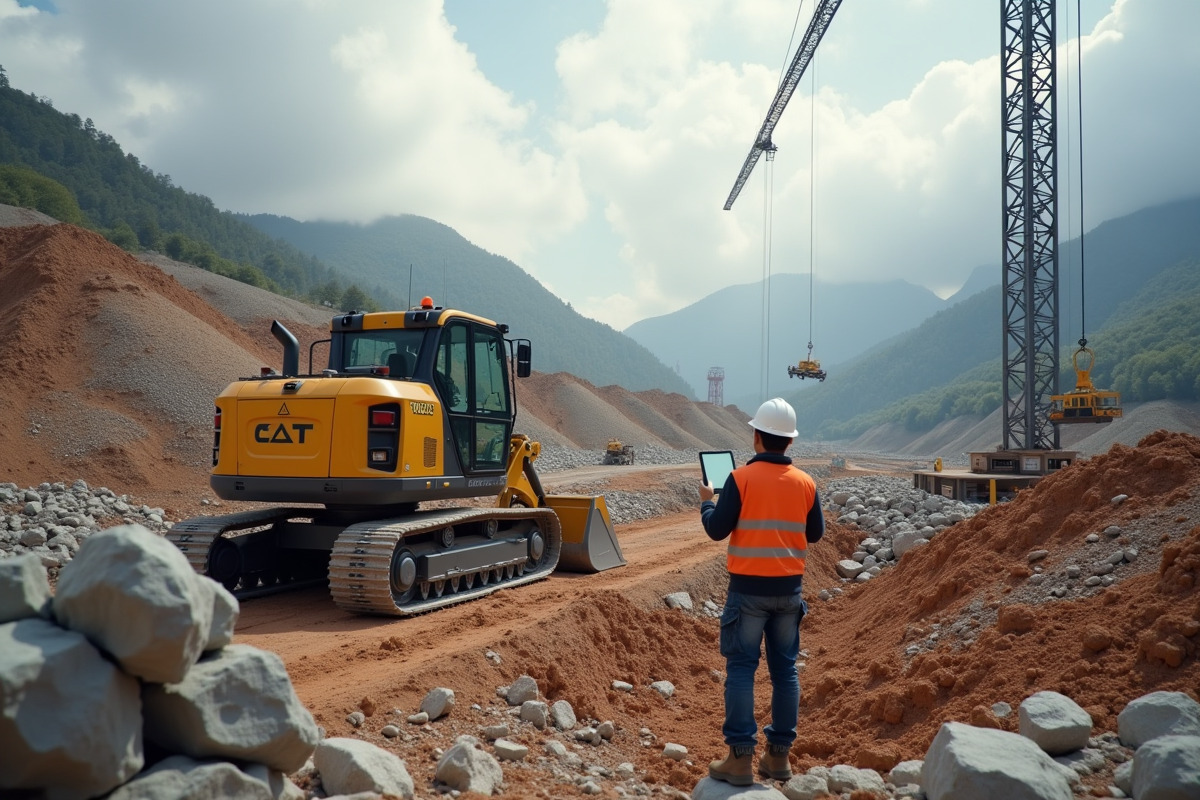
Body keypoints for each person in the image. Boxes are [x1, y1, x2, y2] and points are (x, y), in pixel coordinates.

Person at [699, 397, 825, 786]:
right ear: (789, 442)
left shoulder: (739, 479)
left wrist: (707, 504)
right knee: (785, 671)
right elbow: (816, 533)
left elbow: (717, 529)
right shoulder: (806, 483)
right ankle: (778, 758)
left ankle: (739, 759)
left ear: (756, 437)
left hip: (748, 593)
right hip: (788, 594)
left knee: (741, 669)